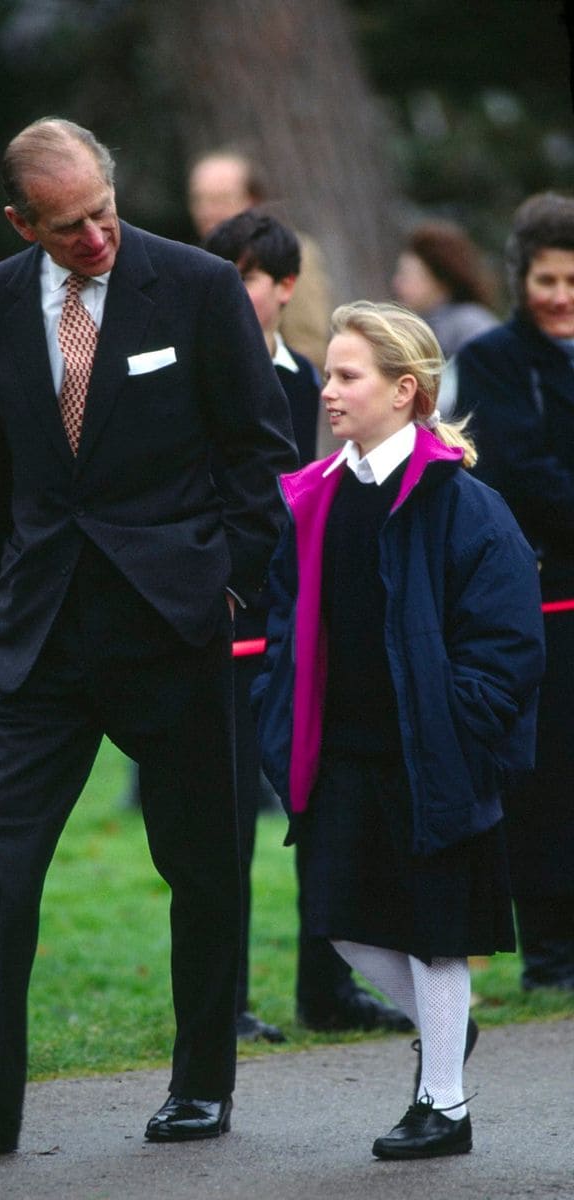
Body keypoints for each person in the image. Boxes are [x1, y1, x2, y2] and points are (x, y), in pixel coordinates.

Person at [0, 117, 297, 1154]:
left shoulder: (195, 286)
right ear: (22, 222)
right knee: (2, 860)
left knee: (200, 865)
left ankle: (202, 1083)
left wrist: (228, 587)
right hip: (40, 632)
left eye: (103, 212)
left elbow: (259, 454)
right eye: (67, 228)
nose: (96, 237)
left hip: (175, 625)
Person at [253, 301, 545, 1160]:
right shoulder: (315, 499)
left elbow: (507, 640)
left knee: (436, 930)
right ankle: (446, 1034)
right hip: (340, 752)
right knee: (340, 918)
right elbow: (285, 621)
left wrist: (460, 722)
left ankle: (444, 1104)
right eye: (332, 374)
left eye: (348, 377)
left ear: (405, 390)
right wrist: (281, 711)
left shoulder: (465, 502)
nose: (330, 393)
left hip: (435, 752)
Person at [204, 210, 412, 1043]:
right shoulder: (190, 374)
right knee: (222, 820)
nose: (233, 291)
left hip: (305, 618)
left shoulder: (308, 381)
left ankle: (328, 987)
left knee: (325, 804)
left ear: (285, 287)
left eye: (249, 275)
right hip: (226, 621)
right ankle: (223, 1003)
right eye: (221, 273)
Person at [455, 192, 574, 992]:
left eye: (571, 278)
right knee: (546, 779)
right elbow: (518, 471)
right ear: (519, 279)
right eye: (545, 278)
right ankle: (551, 954)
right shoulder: (496, 359)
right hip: (545, 595)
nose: (559, 294)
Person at [187, 148, 334, 372]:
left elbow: (309, 345)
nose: (207, 211)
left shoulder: (291, 252)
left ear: (252, 200)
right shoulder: (188, 260)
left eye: (222, 199)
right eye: (200, 199)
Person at [392, 221, 499, 416]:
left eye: (408, 275)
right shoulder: (419, 326)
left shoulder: (471, 325)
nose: (397, 283)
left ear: (438, 278)